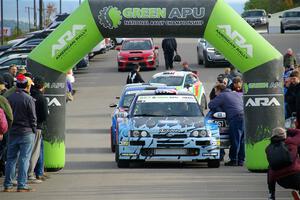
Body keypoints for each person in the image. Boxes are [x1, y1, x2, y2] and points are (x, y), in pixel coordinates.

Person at [3, 74, 37, 192]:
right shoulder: (28, 99)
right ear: (26, 85)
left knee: (11, 158)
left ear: (16, 84)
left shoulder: (9, 98)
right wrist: (34, 129)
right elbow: (33, 117)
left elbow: (6, 115)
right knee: (24, 158)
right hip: (26, 132)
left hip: (13, 132)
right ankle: (22, 184)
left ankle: (7, 184)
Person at [208, 83, 244, 166]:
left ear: (219, 90)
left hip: (235, 117)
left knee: (235, 139)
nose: (215, 93)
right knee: (242, 140)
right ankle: (241, 160)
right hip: (244, 116)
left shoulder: (222, 95)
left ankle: (234, 160)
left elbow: (211, 105)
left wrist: (219, 108)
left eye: (215, 91)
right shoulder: (235, 94)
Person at [267, 127, 300, 200]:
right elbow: (299, 132)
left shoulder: (269, 148)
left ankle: (271, 196)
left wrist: (271, 191)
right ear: (284, 135)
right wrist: (287, 129)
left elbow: (270, 174)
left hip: (281, 181)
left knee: (270, 167)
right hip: (296, 177)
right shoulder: (292, 141)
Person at [28, 76, 48, 183]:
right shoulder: (41, 98)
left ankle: (38, 172)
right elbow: (45, 115)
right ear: (43, 86)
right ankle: (34, 173)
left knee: (36, 150)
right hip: (38, 127)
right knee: (36, 150)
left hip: (28, 126)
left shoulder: (30, 96)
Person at [0, 87, 13, 178]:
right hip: (2, 131)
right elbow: (9, 116)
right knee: (4, 150)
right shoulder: (2, 99)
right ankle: (3, 170)